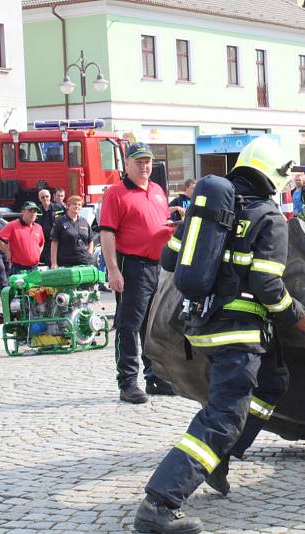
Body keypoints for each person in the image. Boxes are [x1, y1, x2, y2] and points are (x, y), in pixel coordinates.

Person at [133, 136, 305, 534]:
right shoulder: (268, 216)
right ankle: (159, 504)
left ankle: (219, 459)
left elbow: (170, 257)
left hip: (203, 324)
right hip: (239, 331)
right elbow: (267, 286)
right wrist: (298, 316)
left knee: (272, 383)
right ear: (274, 176)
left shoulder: (209, 209)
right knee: (223, 415)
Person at [100, 142, 175, 404]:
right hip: (132, 266)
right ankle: (128, 382)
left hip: (158, 266)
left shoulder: (156, 190)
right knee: (129, 326)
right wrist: (112, 270)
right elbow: (107, 233)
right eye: (139, 162)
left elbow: (160, 224)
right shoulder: (115, 194)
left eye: (148, 162)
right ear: (127, 165)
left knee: (152, 325)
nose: (145, 166)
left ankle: (155, 376)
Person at [0, 201, 44, 274]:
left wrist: (37, 254)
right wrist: (7, 252)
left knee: (35, 286)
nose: (33, 214)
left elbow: (41, 243)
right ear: (23, 212)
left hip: (34, 268)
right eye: (30, 211)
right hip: (19, 268)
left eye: (35, 211)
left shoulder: (38, 227)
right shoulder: (13, 225)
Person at [50, 195, 94, 268]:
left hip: (84, 261)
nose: (77, 206)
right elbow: (54, 242)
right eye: (74, 204)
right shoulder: (60, 222)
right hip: (66, 262)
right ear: (68, 206)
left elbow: (91, 240)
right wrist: (54, 263)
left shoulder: (84, 221)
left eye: (79, 205)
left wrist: (89, 254)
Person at [36, 189, 65, 265]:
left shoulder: (59, 208)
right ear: (39, 199)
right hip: (44, 242)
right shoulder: (37, 211)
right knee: (47, 263)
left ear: (50, 197)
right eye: (42, 197)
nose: (45, 198)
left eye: (47, 196)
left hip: (57, 241)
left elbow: (66, 221)